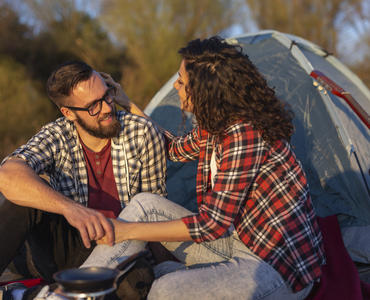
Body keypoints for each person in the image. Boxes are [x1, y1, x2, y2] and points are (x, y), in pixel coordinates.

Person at [76, 36, 326, 300]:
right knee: (144, 205)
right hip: (237, 241)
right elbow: (172, 148)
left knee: (163, 290)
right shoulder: (216, 123)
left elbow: (211, 225)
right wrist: (127, 104)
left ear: (205, 91)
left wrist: (127, 230)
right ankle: (71, 291)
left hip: (274, 267)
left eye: (182, 82)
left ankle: (168, 275)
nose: (176, 85)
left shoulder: (244, 134)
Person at [0, 61, 167, 300]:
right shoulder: (57, 134)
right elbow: (6, 175)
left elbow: (155, 208)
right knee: (23, 196)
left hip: (122, 248)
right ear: (68, 113)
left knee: (139, 282)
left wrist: (166, 270)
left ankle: (26, 296)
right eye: (93, 106)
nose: (106, 108)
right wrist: (72, 210)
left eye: (107, 96)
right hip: (66, 248)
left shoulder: (142, 133)